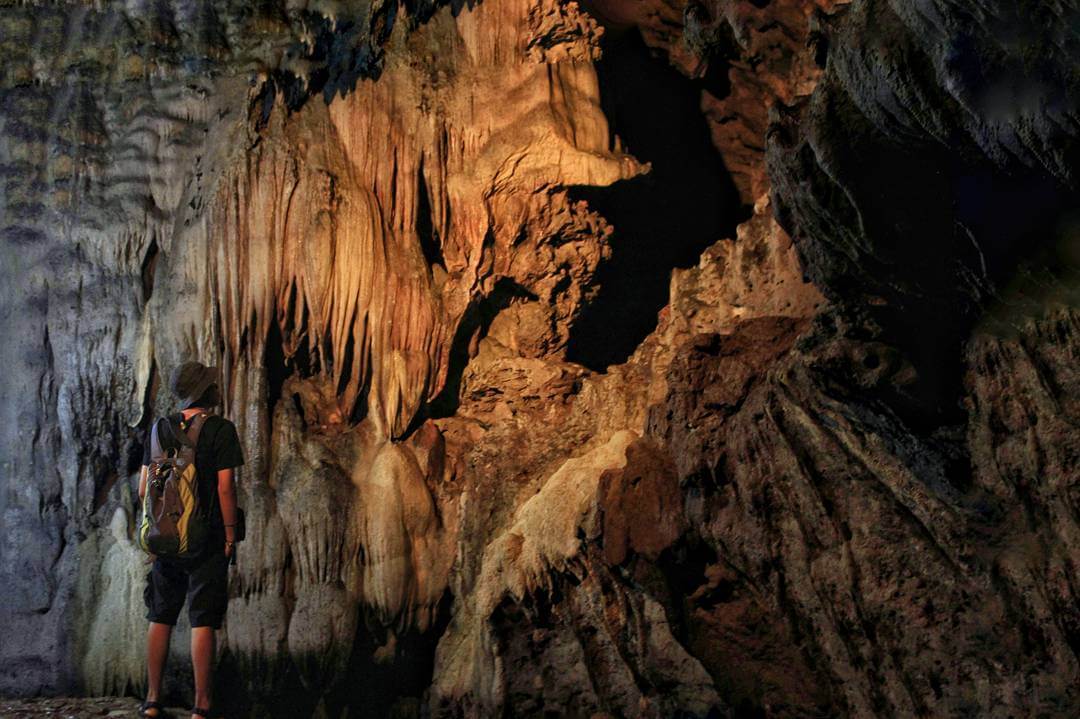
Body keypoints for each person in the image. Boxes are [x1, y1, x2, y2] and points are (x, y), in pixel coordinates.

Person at [137, 361, 244, 719]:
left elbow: (142, 488)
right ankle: (202, 705)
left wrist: (164, 523)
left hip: (164, 538)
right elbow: (225, 487)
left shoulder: (158, 429)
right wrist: (230, 535)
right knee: (202, 620)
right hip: (206, 538)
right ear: (206, 393)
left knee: (160, 616)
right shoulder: (220, 429)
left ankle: (152, 701)